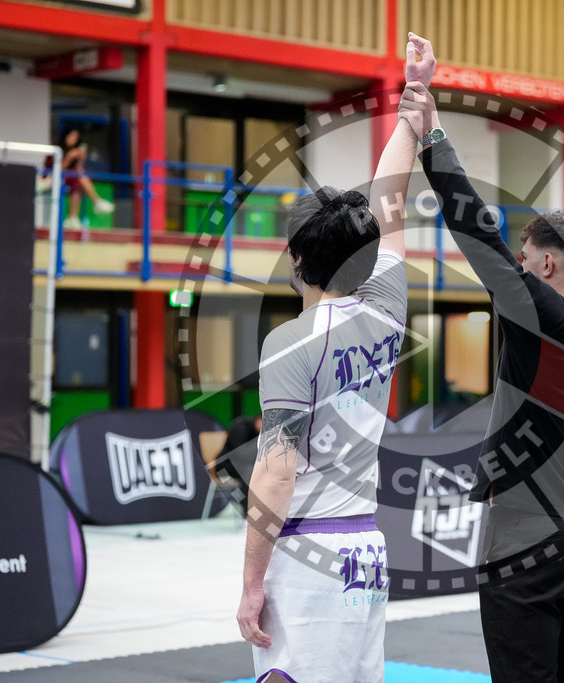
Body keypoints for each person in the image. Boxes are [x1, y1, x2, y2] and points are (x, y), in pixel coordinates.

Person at [399, 57, 564, 681]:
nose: (514, 261)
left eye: (524, 254)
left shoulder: (542, 317)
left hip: (524, 541)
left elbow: (476, 232)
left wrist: (432, 135)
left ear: (543, 268)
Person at [234, 35, 434, 683]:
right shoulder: (387, 302)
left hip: (309, 555)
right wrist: (414, 101)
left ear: (295, 258)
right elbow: (391, 194)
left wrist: (251, 584)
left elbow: (276, 475)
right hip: (367, 550)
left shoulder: (291, 343)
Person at [55, 127, 113, 229]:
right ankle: (96, 202)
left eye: (76, 137)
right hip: (54, 178)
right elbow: (57, 170)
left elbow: (78, 169)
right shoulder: (57, 150)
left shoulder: (76, 150)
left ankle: (73, 217)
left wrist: (80, 159)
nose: (73, 139)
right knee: (79, 177)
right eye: (71, 136)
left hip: (71, 180)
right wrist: (69, 157)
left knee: (79, 179)